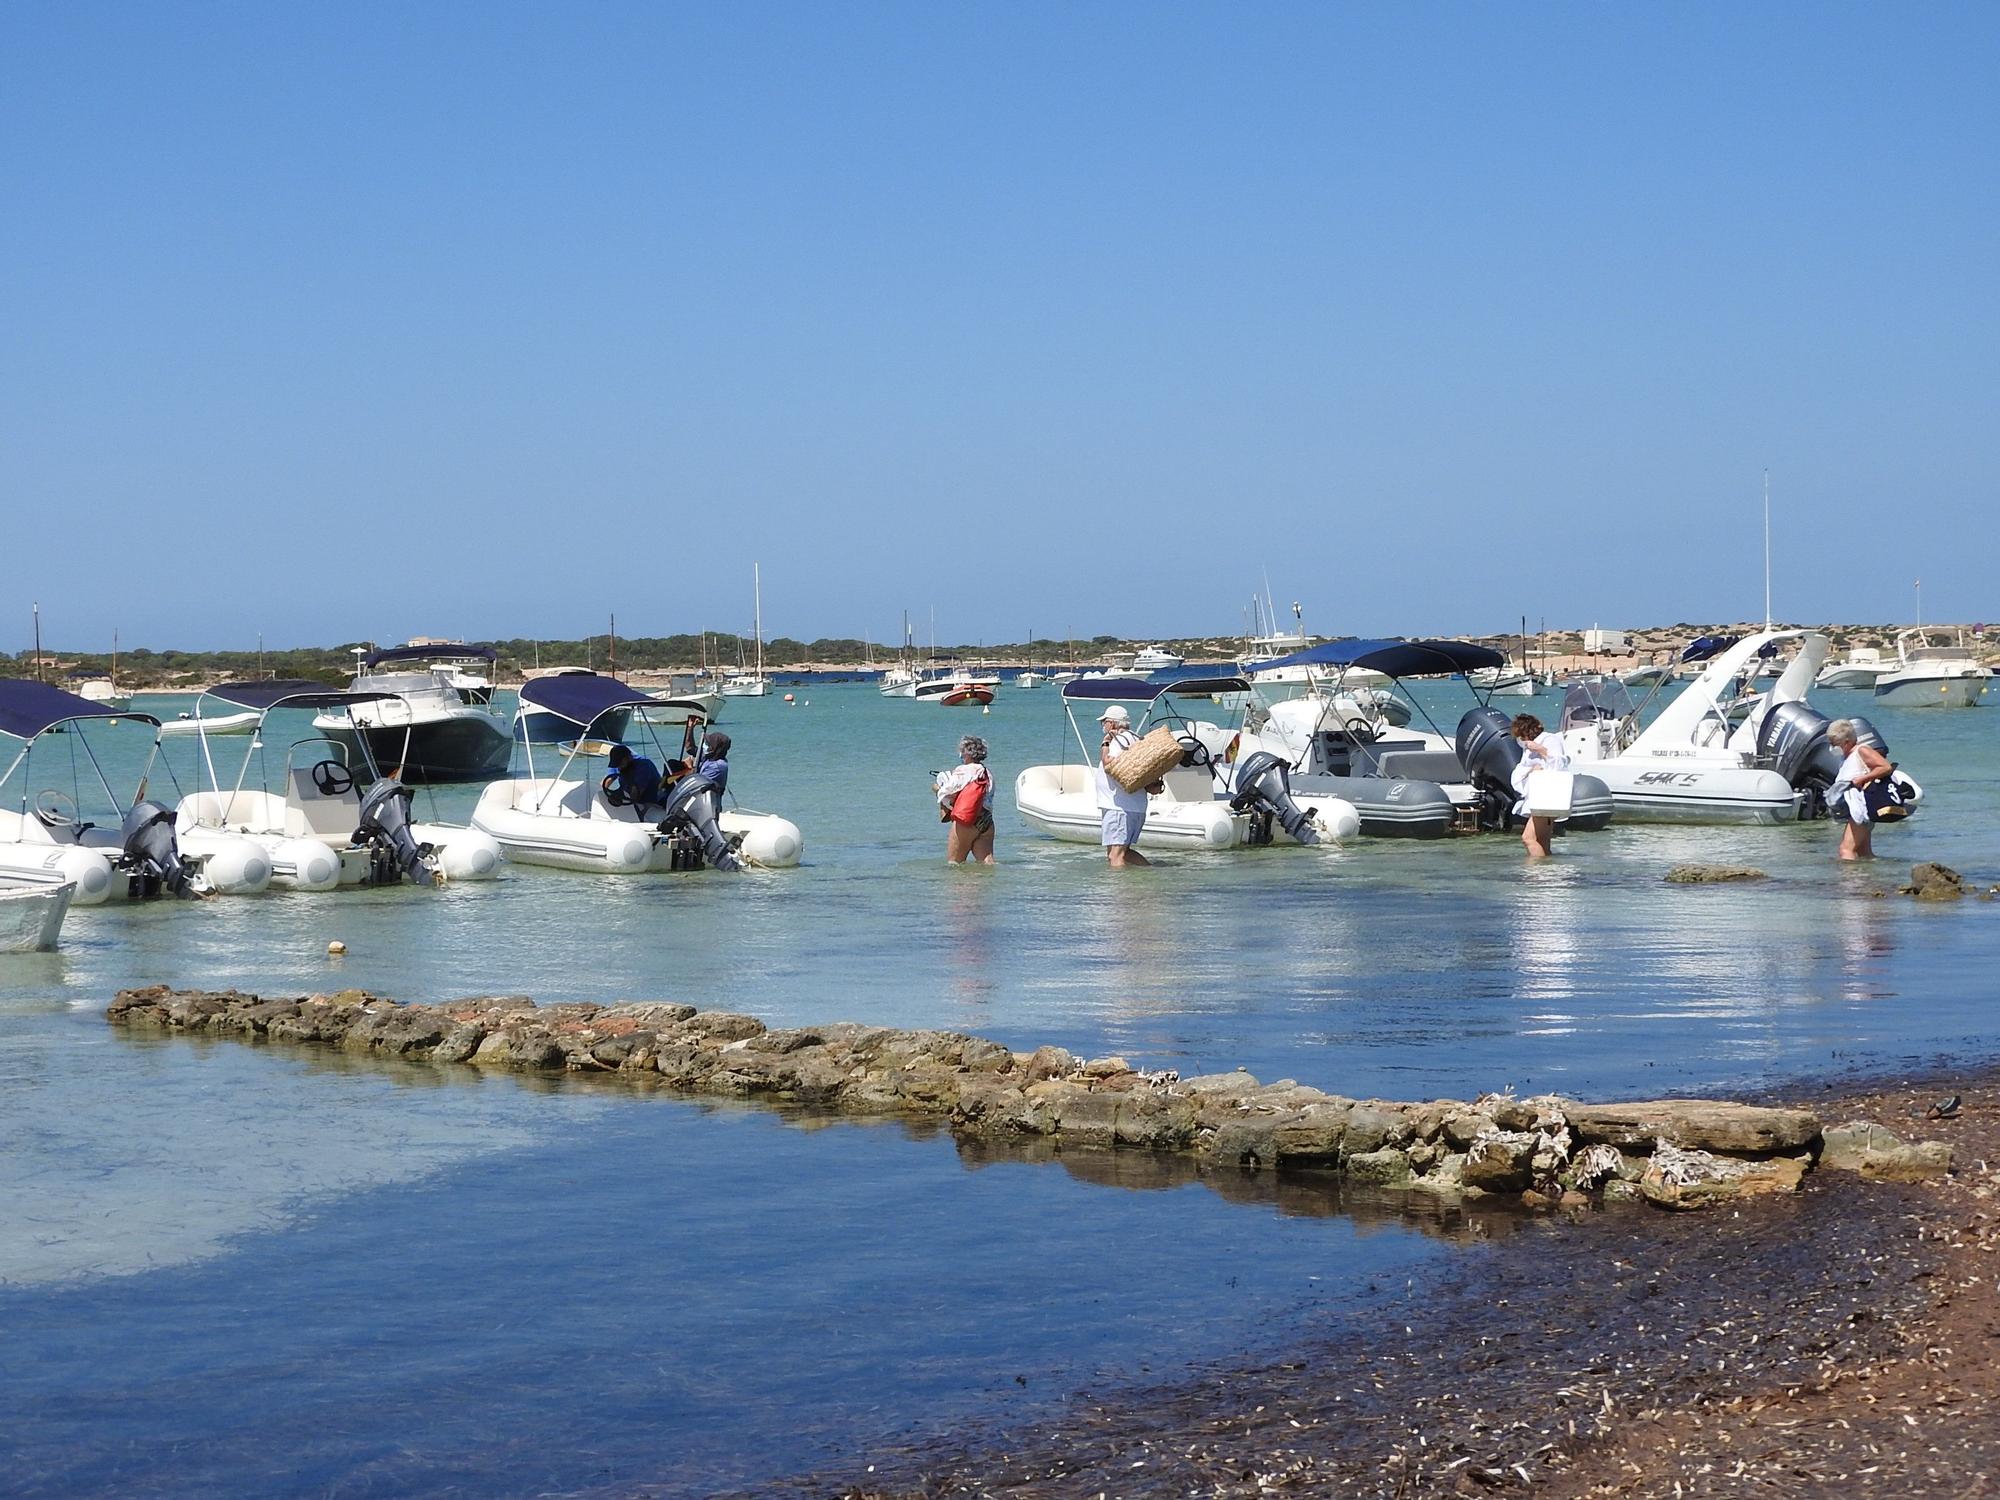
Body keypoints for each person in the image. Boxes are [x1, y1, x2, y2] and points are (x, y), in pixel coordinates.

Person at [1826, 718, 1893, 860]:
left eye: (1835, 744)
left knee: (1846, 850)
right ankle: (1867, 880)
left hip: (1860, 806)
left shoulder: (1861, 750)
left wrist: (1863, 779)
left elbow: (1885, 767)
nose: (1832, 747)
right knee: (1863, 852)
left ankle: (1850, 881)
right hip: (1855, 808)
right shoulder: (1845, 756)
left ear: (1847, 741)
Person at [1096, 704, 1152, 867]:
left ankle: (1119, 890)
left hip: (1120, 808)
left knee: (1115, 856)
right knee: (1121, 853)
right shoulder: (1134, 739)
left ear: (1112, 723)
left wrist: (1105, 744)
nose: (1103, 725)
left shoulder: (1116, 742)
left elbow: (1109, 765)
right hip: (1132, 806)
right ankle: (1149, 872)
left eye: (1104, 722)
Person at [1509, 712, 1569, 858]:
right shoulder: (1527, 749)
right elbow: (1520, 771)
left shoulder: (1549, 740)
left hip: (1547, 797)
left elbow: (1560, 764)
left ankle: (1536, 871)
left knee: (1528, 838)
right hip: (1539, 798)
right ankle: (1547, 873)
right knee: (1542, 840)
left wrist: (1540, 750)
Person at [934, 735, 997, 864]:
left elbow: (947, 793)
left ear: (967, 753)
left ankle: (961, 884)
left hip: (967, 821)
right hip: (986, 820)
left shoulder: (963, 770)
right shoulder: (987, 773)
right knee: (988, 863)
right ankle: (989, 884)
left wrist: (936, 789)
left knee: (954, 863)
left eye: (961, 752)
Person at [667, 730, 731, 795]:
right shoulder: (710, 756)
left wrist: (690, 768)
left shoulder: (718, 766)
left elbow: (698, 782)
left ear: (713, 748)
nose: (704, 745)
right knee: (672, 764)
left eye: (707, 744)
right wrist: (690, 728)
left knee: (679, 775)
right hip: (696, 788)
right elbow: (690, 749)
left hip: (702, 795)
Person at [602, 743, 662, 809]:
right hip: (628, 798)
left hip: (649, 803)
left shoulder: (644, 766)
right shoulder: (617, 764)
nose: (619, 768)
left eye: (621, 764)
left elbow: (635, 795)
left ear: (629, 757)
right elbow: (607, 781)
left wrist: (619, 797)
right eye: (617, 765)